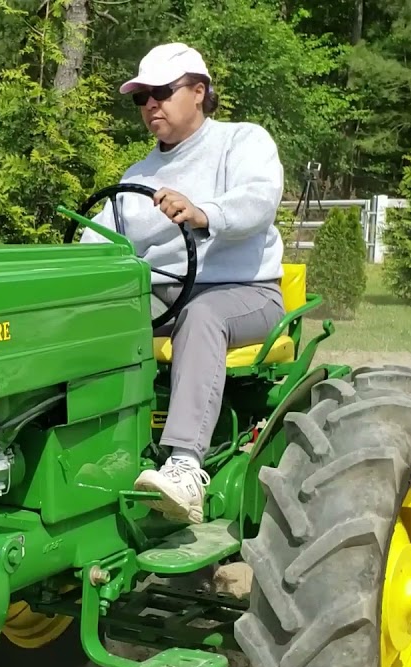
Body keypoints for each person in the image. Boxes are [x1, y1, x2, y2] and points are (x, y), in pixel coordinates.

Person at [79, 42, 285, 525]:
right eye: (141, 97)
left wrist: (203, 212)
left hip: (245, 293)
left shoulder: (242, 142)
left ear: (198, 91)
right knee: (89, 322)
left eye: (161, 92)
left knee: (203, 315)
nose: (151, 104)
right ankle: (95, 454)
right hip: (164, 296)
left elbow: (258, 201)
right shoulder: (138, 174)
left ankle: (184, 467)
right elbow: (99, 236)